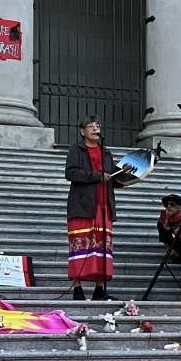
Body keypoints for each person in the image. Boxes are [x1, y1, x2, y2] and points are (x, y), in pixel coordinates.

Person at [66, 118, 122, 301]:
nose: (96, 129)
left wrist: (129, 175)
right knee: (79, 245)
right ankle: (77, 288)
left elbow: (112, 178)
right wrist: (97, 176)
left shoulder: (106, 152)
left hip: (103, 205)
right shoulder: (77, 149)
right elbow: (71, 173)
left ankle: (100, 288)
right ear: (82, 131)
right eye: (91, 126)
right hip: (82, 205)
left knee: (102, 247)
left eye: (98, 126)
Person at [156, 194, 181, 261]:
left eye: (172, 204)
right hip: (175, 245)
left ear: (180, 207)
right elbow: (165, 236)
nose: (168, 206)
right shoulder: (163, 219)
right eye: (166, 204)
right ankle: (171, 250)